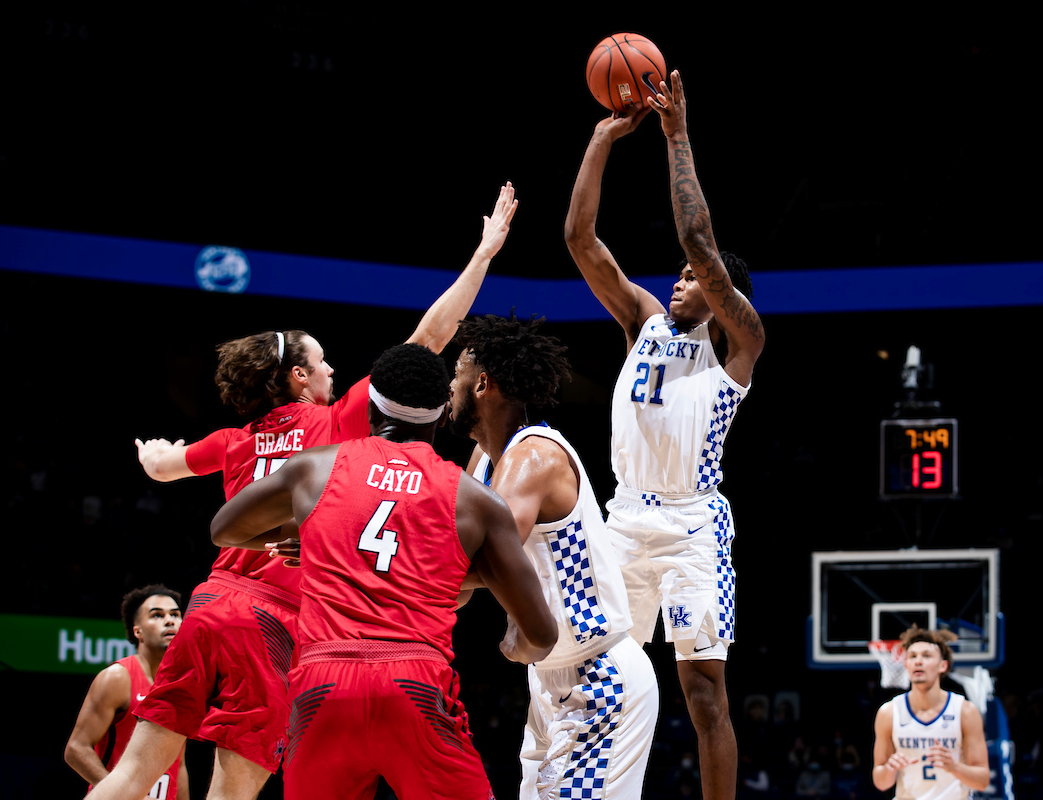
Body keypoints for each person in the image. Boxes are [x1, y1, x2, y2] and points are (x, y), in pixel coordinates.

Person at [98, 183, 518, 800]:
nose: (333, 371)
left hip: (211, 602)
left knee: (132, 774)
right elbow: (429, 337)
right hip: (272, 621)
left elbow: (164, 468)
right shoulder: (337, 423)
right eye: (323, 364)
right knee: (232, 792)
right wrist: (481, 257)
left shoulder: (234, 440)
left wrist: (149, 452)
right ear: (299, 379)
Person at [209, 342, 558, 800]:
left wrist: (312, 541)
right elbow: (542, 635)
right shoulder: (474, 499)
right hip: (416, 685)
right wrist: (514, 645)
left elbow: (224, 530)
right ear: (438, 417)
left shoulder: (314, 467)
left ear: (371, 407)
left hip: (322, 687)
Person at [563, 70, 765, 800]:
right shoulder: (642, 322)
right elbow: (580, 240)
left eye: (694, 278)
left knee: (703, 693)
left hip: (690, 526)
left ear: (720, 295)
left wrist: (677, 136)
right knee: (597, 676)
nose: (679, 279)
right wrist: (599, 141)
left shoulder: (737, 343)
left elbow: (697, 237)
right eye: (677, 274)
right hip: (623, 518)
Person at [449, 313, 659, 799]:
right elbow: (453, 583)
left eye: (455, 377)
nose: (448, 391)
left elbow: (475, 563)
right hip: (548, 680)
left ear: (482, 383)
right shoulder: (483, 462)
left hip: (599, 674)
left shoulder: (533, 457)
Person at [64, 585, 187, 799]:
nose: (170, 621)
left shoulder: (183, 685)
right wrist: (121, 795)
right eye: (157, 615)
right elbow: (76, 749)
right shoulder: (118, 678)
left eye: (175, 615)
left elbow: (180, 764)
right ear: (137, 630)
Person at [872, 626, 990, 799]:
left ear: (943, 666)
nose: (918, 661)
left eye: (926, 656)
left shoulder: (964, 711)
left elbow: (982, 780)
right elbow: (881, 782)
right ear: (906, 665)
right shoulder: (889, 712)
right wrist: (890, 769)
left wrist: (954, 767)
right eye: (912, 656)